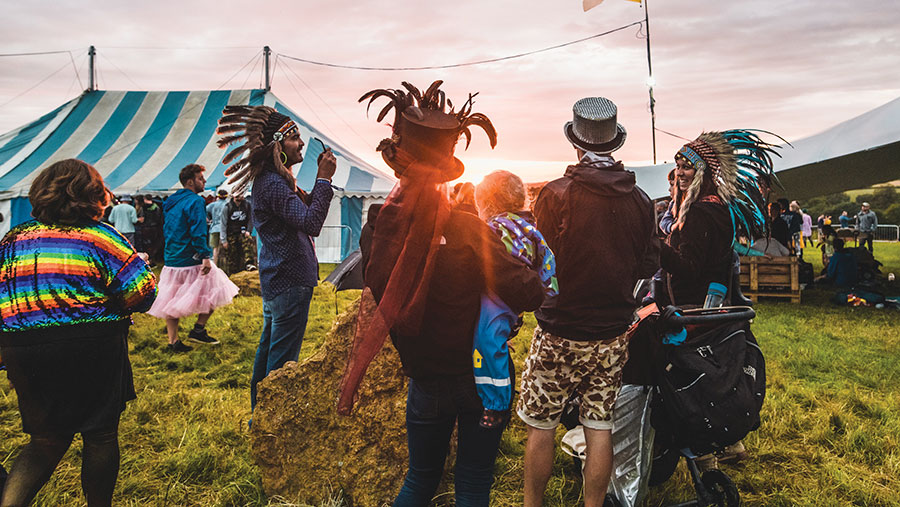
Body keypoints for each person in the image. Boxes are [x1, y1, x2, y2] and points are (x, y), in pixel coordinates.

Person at [339, 80, 543, 506]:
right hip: (479, 377)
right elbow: (529, 292)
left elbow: (383, 286)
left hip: (426, 380)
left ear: (400, 166)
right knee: (472, 480)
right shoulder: (470, 229)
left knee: (420, 478)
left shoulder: (377, 230)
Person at [520, 97, 658, 507]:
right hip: (613, 332)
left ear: (576, 144)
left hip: (560, 327)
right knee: (600, 425)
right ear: (613, 143)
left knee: (541, 424)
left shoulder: (555, 194)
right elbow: (648, 264)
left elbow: (540, 259)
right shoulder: (640, 201)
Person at [0, 159, 157, 506]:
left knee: (44, 441)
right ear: (92, 195)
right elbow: (142, 293)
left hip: (22, 348)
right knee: (100, 434)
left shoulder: (13, 239)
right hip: (91, 347)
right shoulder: (100, 238)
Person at [660, 129, 780, 470]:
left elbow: (688, 268)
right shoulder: (719, 207)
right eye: (678, 164)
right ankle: (730, 444)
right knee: (713, 375)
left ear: (705, 172)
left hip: (693, 310)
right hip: (714, 306)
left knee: (687, 379)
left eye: (688, 166)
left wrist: (657, 249)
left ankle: (705, 458)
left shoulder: (699, 212)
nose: (680, 172)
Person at [216, 105, 336, 411]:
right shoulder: (272, 184)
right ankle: (271, 422)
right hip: (289, 281)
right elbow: (311, 224)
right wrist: (323, 180)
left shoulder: (275, 182)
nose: (302, 144)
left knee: (270, 352)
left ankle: (260, 417)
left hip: (280, 279)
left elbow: (302, 215)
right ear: (277, 145)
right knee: (282, 361)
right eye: (294, 137)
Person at [472, 170, 557, 429]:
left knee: (487, 339)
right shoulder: (530, 227)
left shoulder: (493, 228)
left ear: (487, 201)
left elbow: (485, 260)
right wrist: (547, 287)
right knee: (495, 338)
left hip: (496, 296)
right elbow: (547, 258)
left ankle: (496, 403)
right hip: (518, 297)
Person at [148, 164, 238, 352]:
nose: (204, 181)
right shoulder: (196, 201)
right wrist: (205, 255)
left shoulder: (171, 201)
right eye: (200, 178)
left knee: (169, 299)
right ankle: (198, 329)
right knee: (217, 288)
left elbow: (169, 228)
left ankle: (173, 342)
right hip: (191, 257)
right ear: (190, 181)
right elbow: (197, 230)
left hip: (172, 258)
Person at [222, 192, 255, 274]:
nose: (240, 196)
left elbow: (251, 219)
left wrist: (249, 230)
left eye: (241, 194)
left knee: (247, 244)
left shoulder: (247, 205)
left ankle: (249, 263)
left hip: (243, 232)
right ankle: (233, 273)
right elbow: (223, 223)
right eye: (237, 195)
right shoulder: (228, 207)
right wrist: (224, 240)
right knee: (232, 255)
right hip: (231, 233)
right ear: (233, 196)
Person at [139, 194, 164, 265]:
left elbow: (142, 218)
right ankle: (153, 259)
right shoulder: (156, 207)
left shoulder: (143, 207)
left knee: (146, 245)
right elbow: (159, 218)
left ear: (145, 199)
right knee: (154, 244)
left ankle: (148, 259)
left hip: (145, 228)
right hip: (155, 228)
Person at [206, 189, 228, 265]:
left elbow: (204, 211)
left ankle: (215, 266)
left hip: (214, 229)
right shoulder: (228, 204)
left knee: (215, 249)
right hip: (225, 230)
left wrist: (209, 219)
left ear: (218, 196)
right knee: (225, 250)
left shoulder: (212, 205)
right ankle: (224, 267)